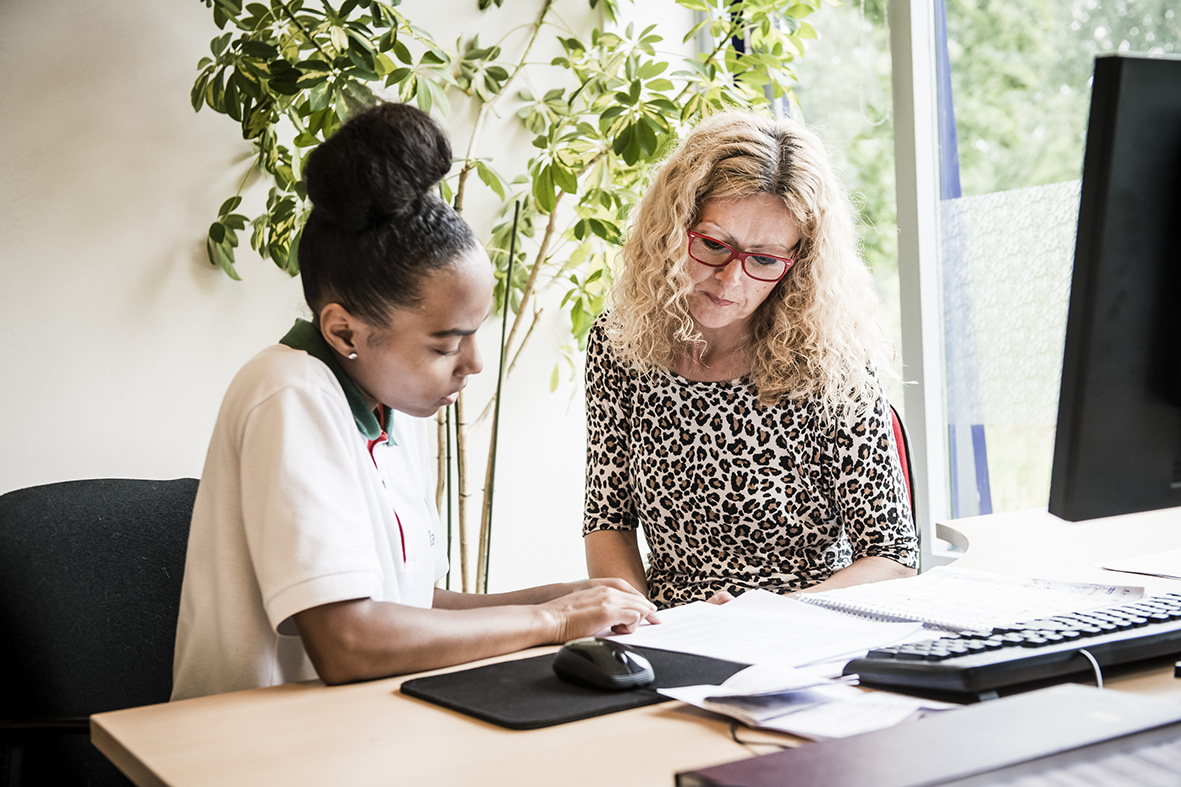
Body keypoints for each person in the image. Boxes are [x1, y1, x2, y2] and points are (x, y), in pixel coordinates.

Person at [172, 102, 656, 701]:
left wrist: (564, 598)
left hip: (377, 729)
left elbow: (412, 605)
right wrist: (551, 623)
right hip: (262, 750)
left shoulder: (389, 410)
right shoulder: (288, 393)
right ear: (344, 332)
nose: (474, 362)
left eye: (475, 332)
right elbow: (349, 641)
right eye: (446, 343)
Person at [583, 110, 918, 609]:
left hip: (803, 627)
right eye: (714, 245)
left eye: (764, 260)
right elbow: (608, 520)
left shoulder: (832, 364)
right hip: (672, 630)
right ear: (672, 230)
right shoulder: (620, 344)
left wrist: (768, 616)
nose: (730, 279)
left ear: (798, 265)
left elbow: (891, 556)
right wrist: (640, 622)